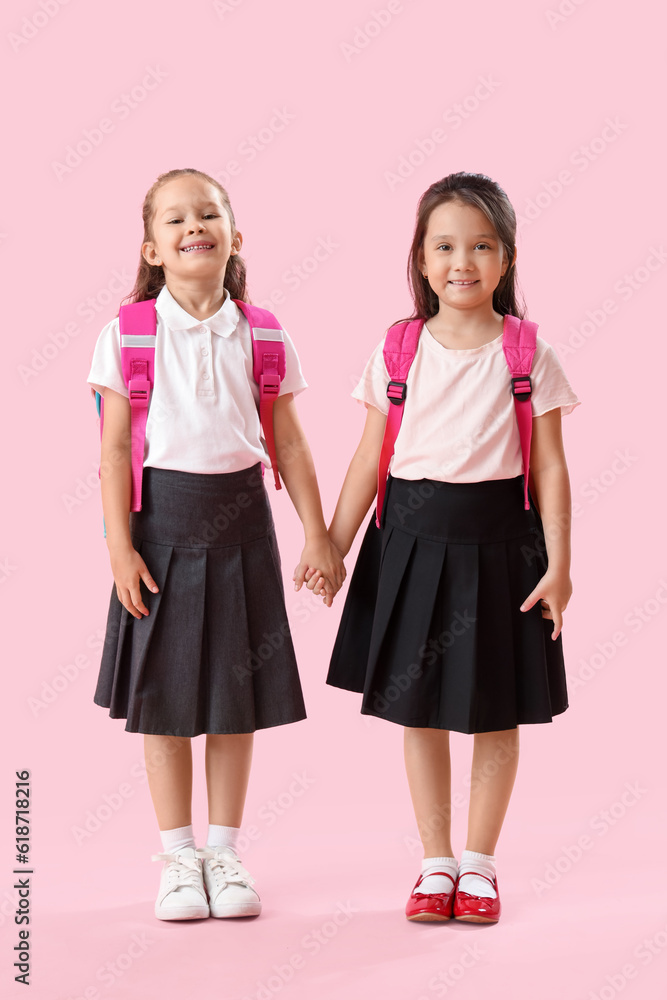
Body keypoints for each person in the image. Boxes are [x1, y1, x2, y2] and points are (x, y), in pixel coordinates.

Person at [322, 171, 581, 923]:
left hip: (502, 545)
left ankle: (480, 866)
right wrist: (333, 547)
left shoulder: (528, 352)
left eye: (480, 245)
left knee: (496, 713)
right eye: (444, 245)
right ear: (420, 257)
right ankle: (435, 865)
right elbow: (370, 455)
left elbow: (552, 467)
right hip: (408, 540)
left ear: (505, 260)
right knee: (420, 712)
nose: (461, 260)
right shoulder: (397, 347)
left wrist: (561, 568)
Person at [87, 167, 344, 921]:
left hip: (243, 527)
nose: (193, 224)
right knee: (162, 703)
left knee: (235, 698)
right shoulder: (127, 333)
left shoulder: (263, 333)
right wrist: (118, 549)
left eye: (209, 212)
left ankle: (224, 853)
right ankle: (177, 856)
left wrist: (318, 535)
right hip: (159, 527)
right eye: (175, 219)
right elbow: (109, 453)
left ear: (235, 237)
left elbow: (288, 444)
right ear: (152, 248)